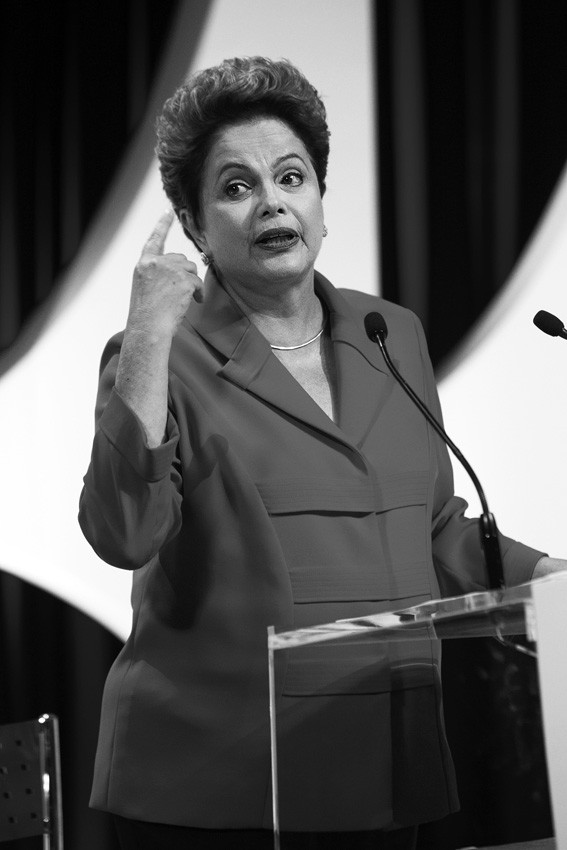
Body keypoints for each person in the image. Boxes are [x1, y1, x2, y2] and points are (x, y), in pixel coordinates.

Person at [79, 56, 564, 850]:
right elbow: (121, 535)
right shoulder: (157, 355)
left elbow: (434, 528)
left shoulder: (389, 334)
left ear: (320, 201)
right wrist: (148, 336)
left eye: (290, 176)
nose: (271, 201)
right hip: (219, 786)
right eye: (235, 187)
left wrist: (543, 577)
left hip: (386, 766)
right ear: (195, 227)